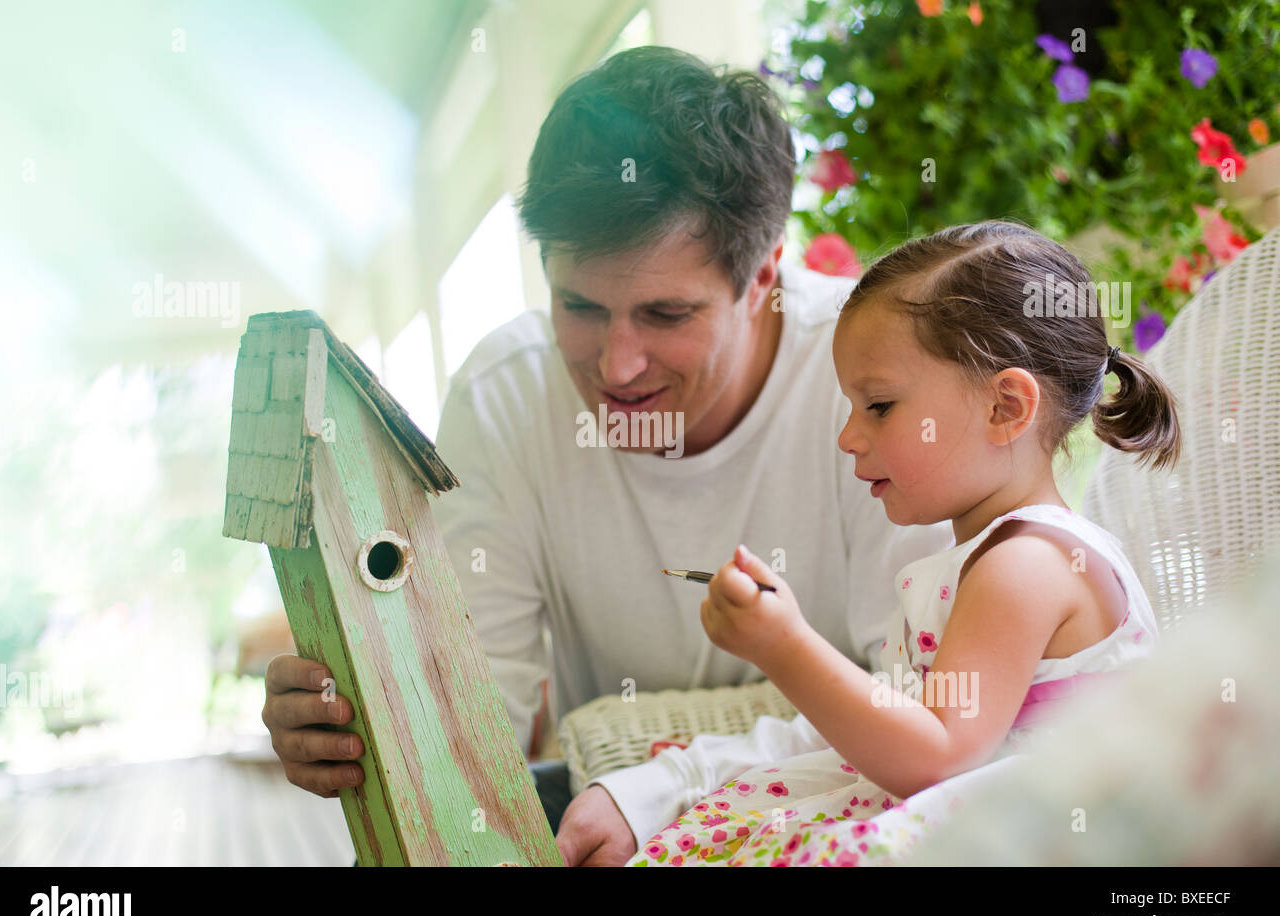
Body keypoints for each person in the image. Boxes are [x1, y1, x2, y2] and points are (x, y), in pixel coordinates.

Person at [258, 45, 951, 865]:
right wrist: (362, 722)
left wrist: (666, 784)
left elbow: (930, 720)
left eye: (664, 314)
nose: (616, 367)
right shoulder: (504, 396)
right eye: (578, 305)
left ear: (764, 276)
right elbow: (476, 724)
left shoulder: (880, 383)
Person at [615, 220, 1182, 866]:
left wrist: (786, 647)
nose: (849, 437)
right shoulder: (988, 559)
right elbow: (902, 728)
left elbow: (935, 753)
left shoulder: (1027, 567)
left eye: (878, 406)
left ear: (1005, 408)